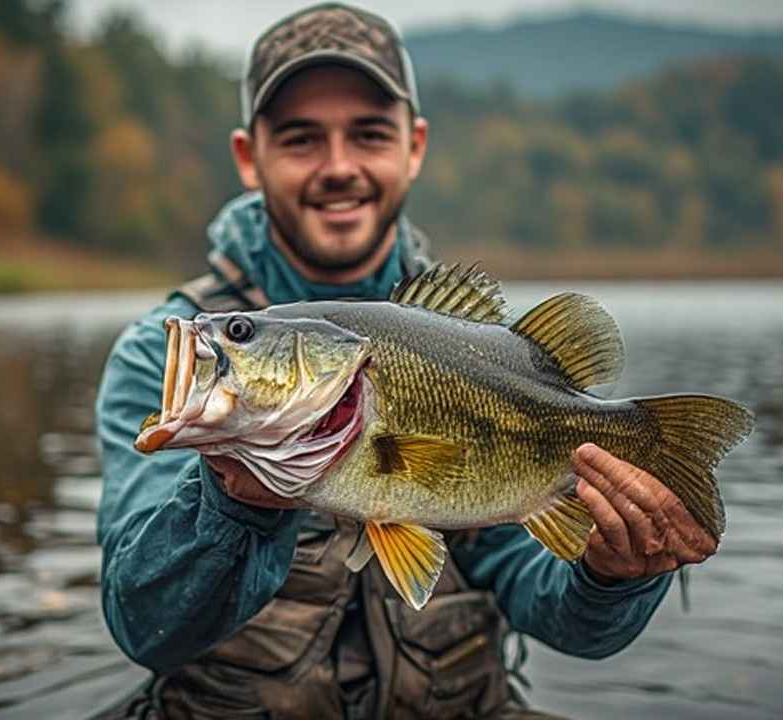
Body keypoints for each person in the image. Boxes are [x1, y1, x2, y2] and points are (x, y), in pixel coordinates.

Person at [95, 4, 719, 718]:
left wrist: (613, 578)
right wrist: (233, 502)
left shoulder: (483, 352)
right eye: (301, 139)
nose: (338, 167)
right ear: (248, 157)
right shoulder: (164, 356)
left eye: (368, 134)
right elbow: (145, 627)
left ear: (414, 146)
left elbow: (555, 608)